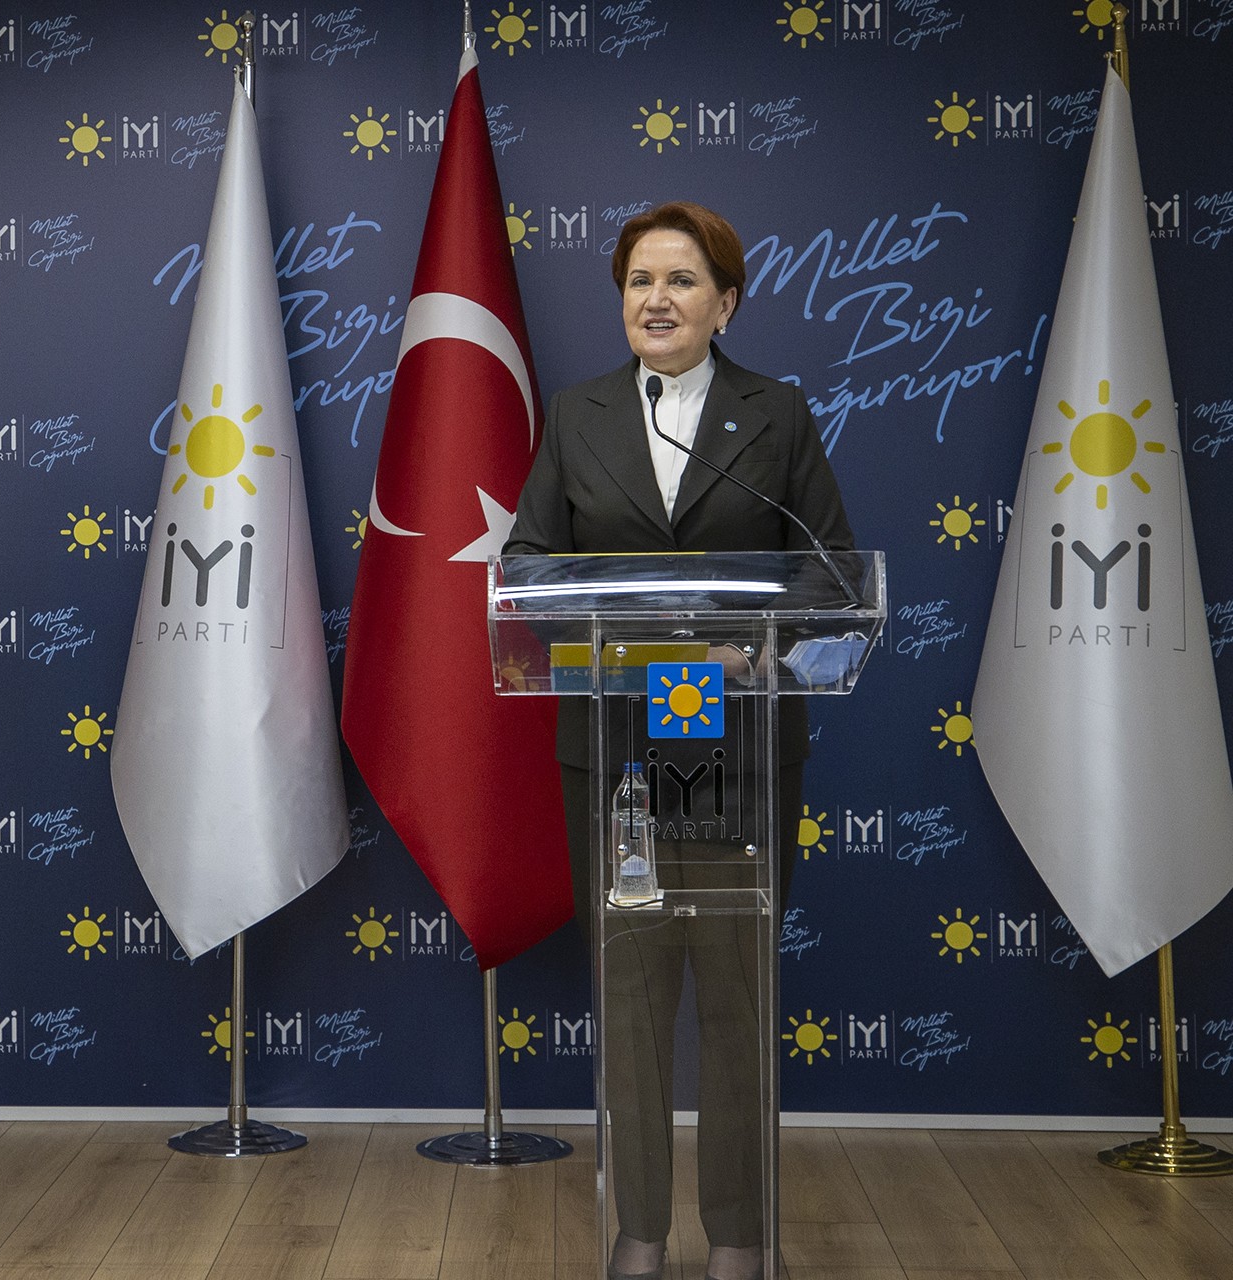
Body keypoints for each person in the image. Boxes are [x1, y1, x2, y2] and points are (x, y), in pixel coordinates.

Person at [504, 202, 853, 1280]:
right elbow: (524, 560)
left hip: (734, 731)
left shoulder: (778, 414)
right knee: (635, 991)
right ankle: (641, 1232)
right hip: (617, 739)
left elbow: (832, 573)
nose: (656, 298)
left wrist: (755, 649)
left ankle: (742, 1235)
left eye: (682, 280)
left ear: (726, 302)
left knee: (739, 996)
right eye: (638, 280)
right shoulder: (579, 412)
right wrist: (607, 628)